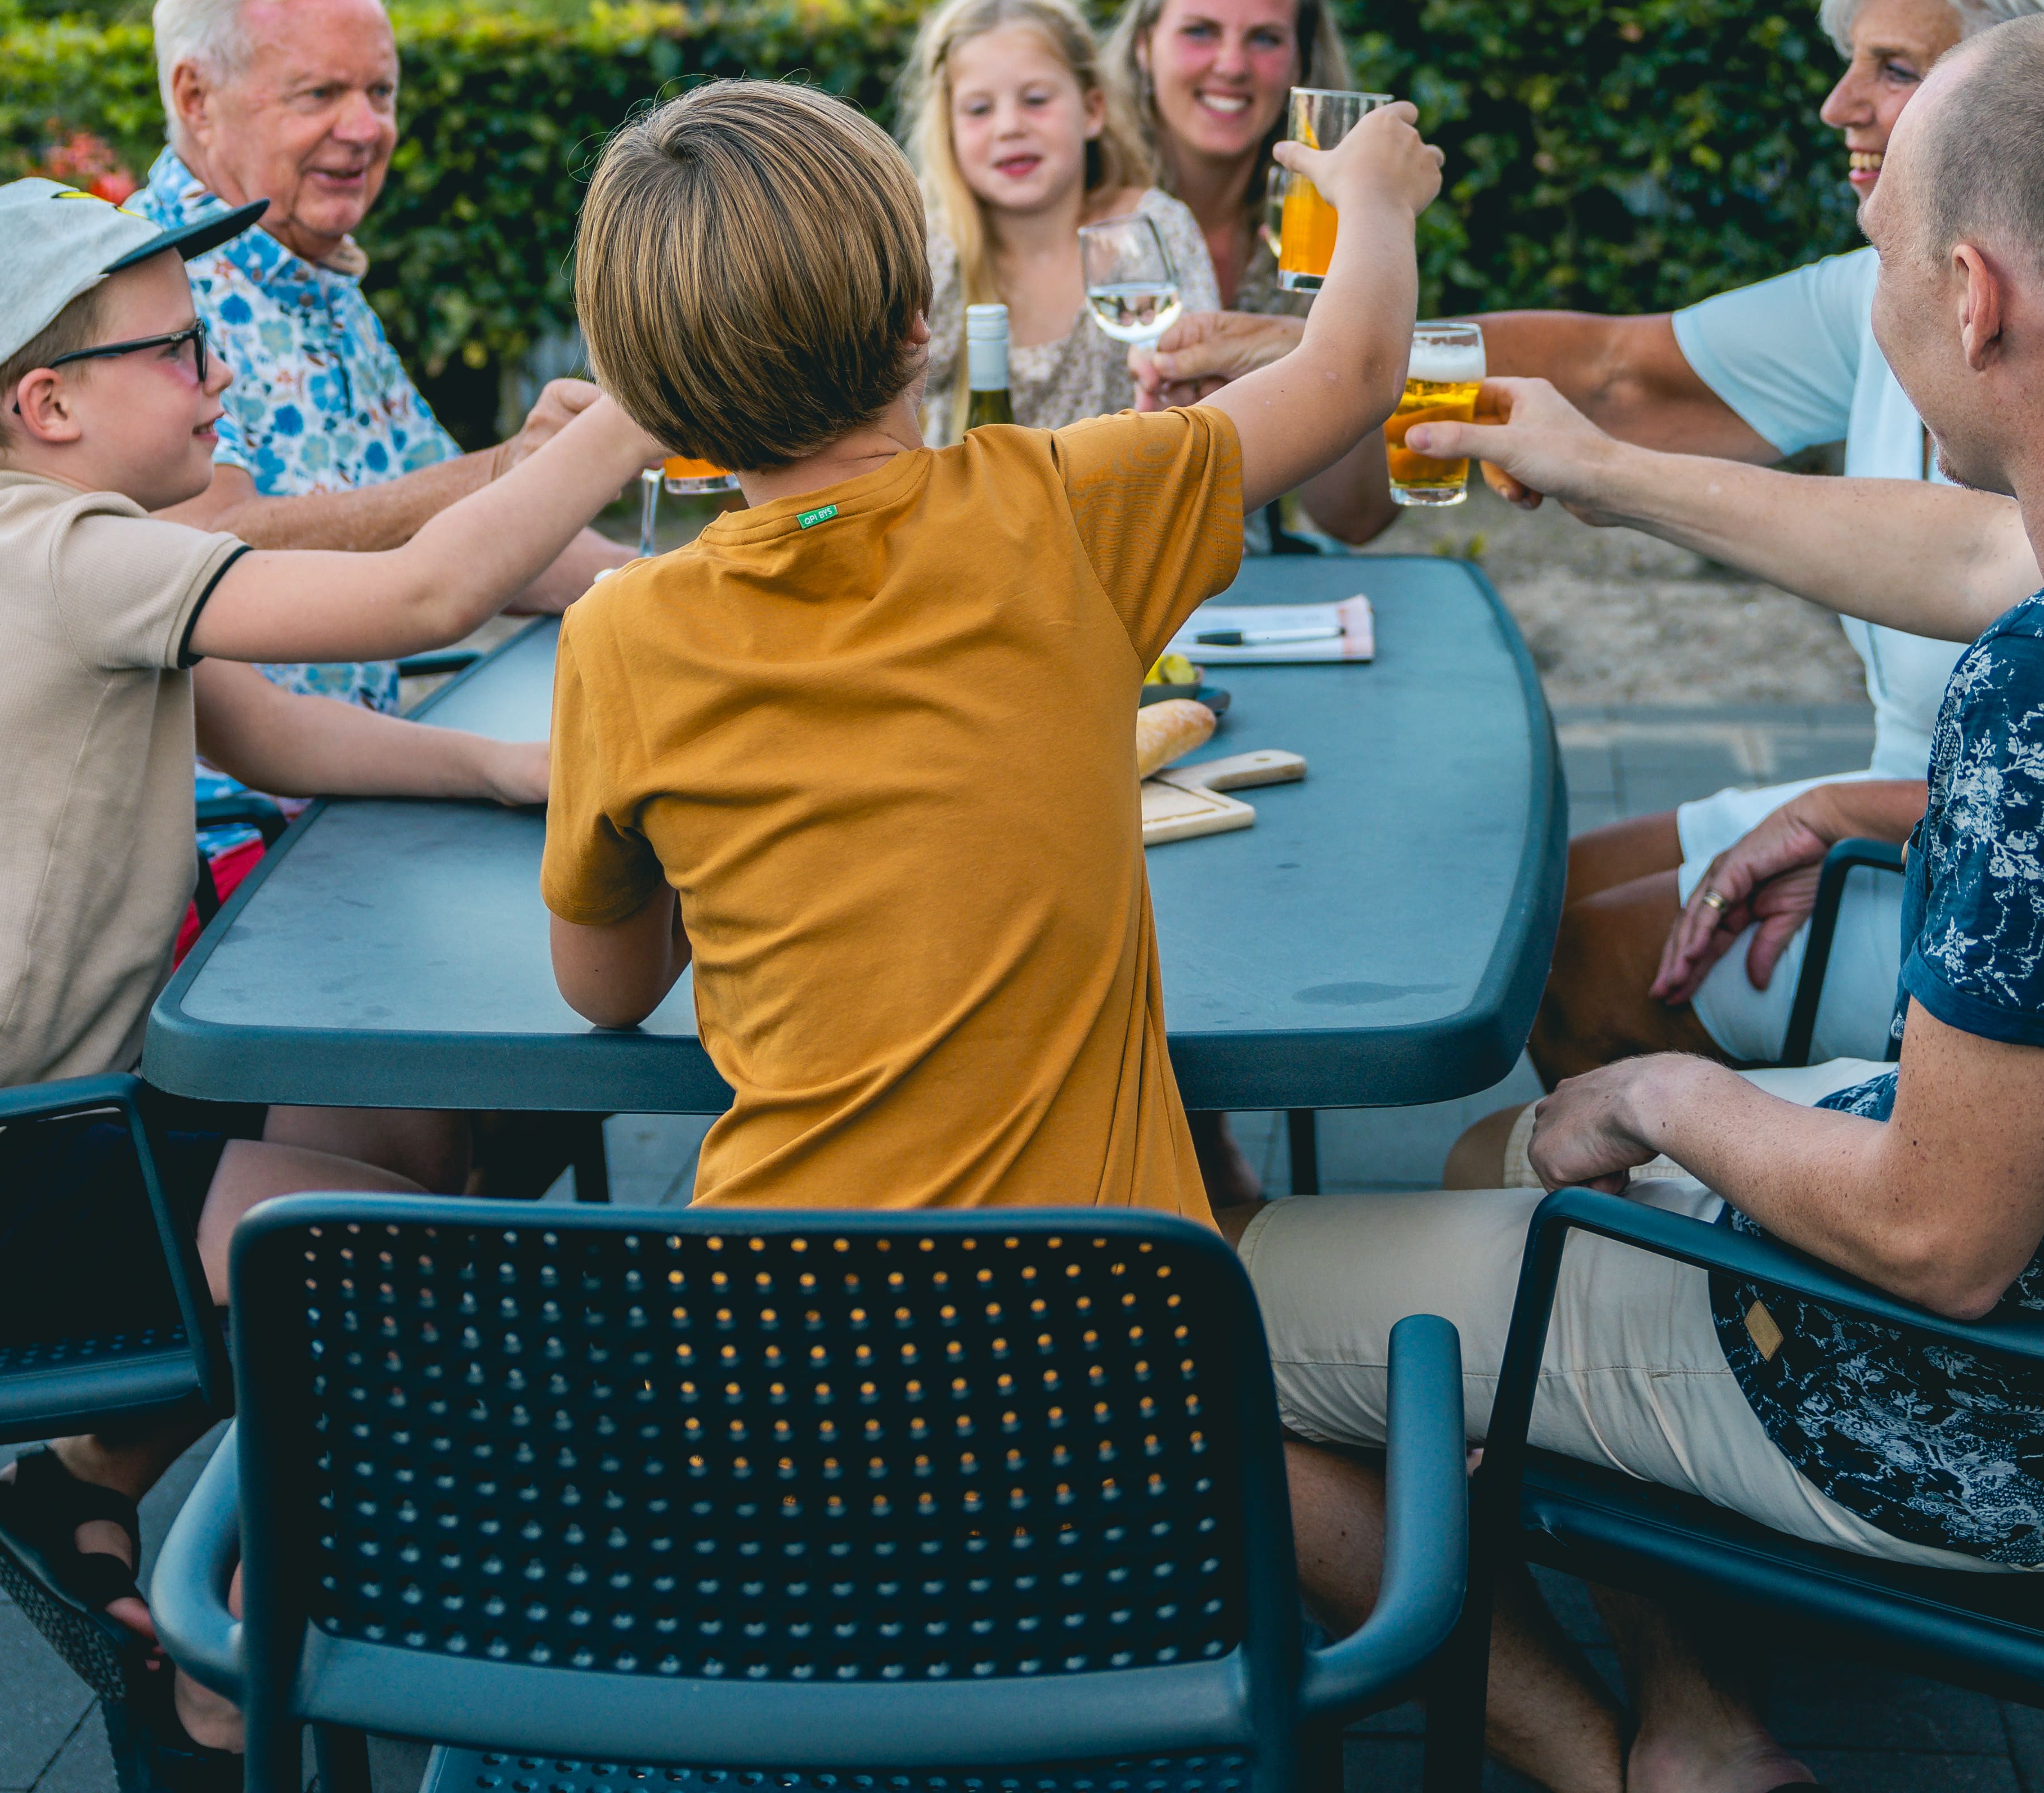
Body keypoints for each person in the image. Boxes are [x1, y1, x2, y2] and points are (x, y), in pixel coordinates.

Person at [1244, 11, 2044, 1793]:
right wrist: (1609, 474)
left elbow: (1936, 1242)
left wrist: (1666, 1089)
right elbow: (2009, 578)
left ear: (1972, 299)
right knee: (1496, 1159)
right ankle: (1687, 1710)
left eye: (1887, 251)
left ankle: (1603, 1760)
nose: (1877, 292)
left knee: (1187, 1319)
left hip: (1984, 1425)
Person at [0, 173, 657, 1782]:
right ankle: (215, 1692)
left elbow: (266, 730)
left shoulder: (66, 548)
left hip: (31, 1136)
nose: (219, 377)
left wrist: (505, 772)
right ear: (48, 406)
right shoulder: (68, 560)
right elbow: (425, 592)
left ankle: (81, 1487)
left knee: (406, 1137)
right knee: (379, 1263)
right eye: (179, 352)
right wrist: (642, 406)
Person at [1149, 0, 2044, 1079]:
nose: (1837, 103)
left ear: (2038, 99)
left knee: (1572, 972)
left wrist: (1842, 816)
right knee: (1529, 908)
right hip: (1933, 807)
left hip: (2015, 886)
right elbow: (1620, 372)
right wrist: (1311, 356)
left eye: (1891, 68)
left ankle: (1644, 1177)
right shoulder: (1895, 284)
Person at [537, 77, 1443, 1217]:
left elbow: (606, 988)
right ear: (920, 323)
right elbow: (1351, 370)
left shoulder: (619, 633)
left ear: (657, 408)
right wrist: (1375, 198)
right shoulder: (1065, 506)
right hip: (1101, 1307)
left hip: (778, 1308)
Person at [125, 0, 631, 720]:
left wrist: (668, 579)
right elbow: (206, 547)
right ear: (197, 98)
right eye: (319, 94)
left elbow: (475, 528)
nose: (366, 130)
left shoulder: (309, 273)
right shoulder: (143, 293)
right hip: (246, 796)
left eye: (381, 92)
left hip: (367, 766)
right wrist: (507, 466)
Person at [1096, 0, 1386, 539]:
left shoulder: (1326, 227)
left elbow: (1353, 516)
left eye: (1263, 39)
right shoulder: (1076, 202)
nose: (1230, 65)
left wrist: (1338, 322)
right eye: (1199, 31)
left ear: (1300, 61)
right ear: (1144, 45)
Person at [902, 0, 1218, 434]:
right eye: (979, 109)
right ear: (948, 128)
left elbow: (1209, 400)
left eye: (1035, 100)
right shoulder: (932, 255)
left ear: (1092, 110)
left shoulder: (1152, 230)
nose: (1009, 126)